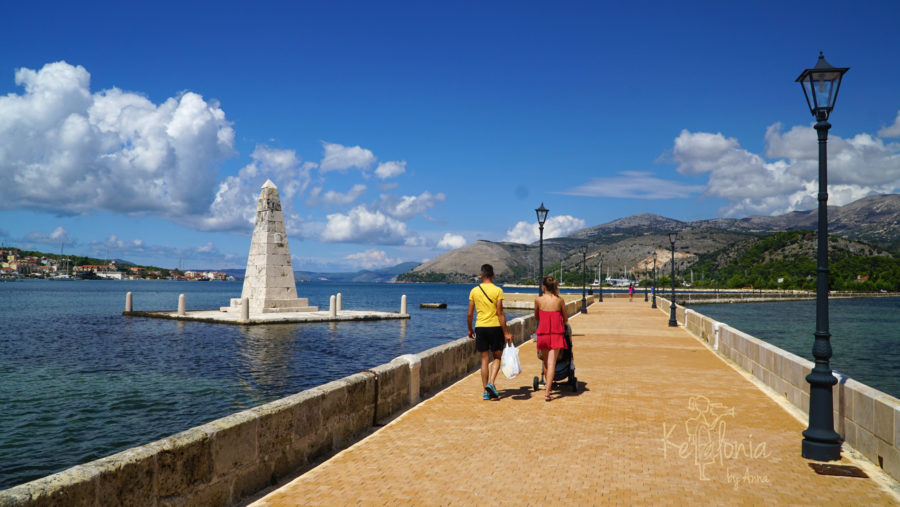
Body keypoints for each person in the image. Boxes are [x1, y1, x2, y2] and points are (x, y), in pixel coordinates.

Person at [467, 264, 513, 400]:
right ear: (492, 275)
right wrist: (506, 333)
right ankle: (491, 383)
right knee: (497, 357)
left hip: (480, 327)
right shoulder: (498, 290)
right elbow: (500, 313)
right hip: (495, 327)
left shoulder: (474, 291)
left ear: (481, 275)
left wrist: (470, 329)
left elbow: (469, 314)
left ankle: (485, 391)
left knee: (484, 359)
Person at [534, 276, 568, 402]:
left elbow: (536, 317)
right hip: (556, 334)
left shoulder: (538, 300)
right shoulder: (560, 300)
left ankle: (548, 387)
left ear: (543, 286)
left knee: (546, 361)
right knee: (552, 363)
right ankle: (547, 393)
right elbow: (565, 319)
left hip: (543, 334)